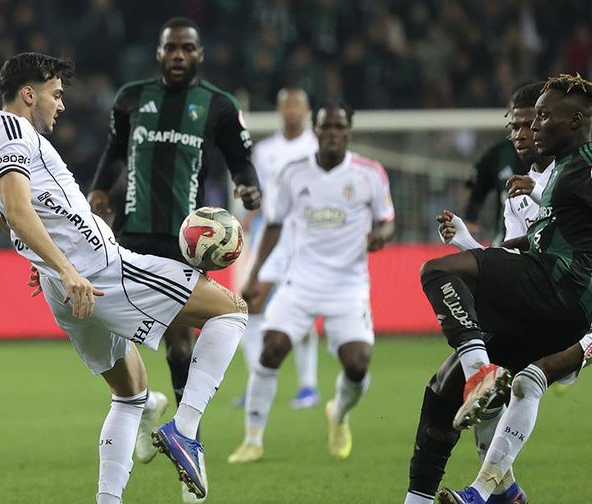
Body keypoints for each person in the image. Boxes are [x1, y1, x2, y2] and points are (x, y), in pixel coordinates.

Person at [0, 51, 249, 504]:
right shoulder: (11, 132)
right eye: (55, 94)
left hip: (67, 286)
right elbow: (18, 209)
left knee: (130, 395)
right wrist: (63, 265)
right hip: (99, 271)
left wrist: (43, 259)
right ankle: (184, 432)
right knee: (232, 311)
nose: (60, 105)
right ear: (29, 94)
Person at [87, 16, 260, 502]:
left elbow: (240, 159)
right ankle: (146, 407)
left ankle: (189, 445)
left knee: (181, 347)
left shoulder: (219, 106)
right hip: (130, 236)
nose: (179, 55)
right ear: (159, 54)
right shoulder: (130, 98)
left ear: (199, 55)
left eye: (187, 48)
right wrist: (99, 190)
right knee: (115, 344)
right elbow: (114, 151)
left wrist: (249, 185)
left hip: (185, 243)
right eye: (171, 49)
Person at [405, 74, 592, 504]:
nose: (529, 131)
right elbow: (537, 242)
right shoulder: (553, 176)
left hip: (562, 292)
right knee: (441, 392)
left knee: (436, 271)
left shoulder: (580, 167)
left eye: (541, 119)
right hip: (544, 297)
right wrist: (472, 246)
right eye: (522, 123)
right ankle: (494, 492)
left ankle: (481, 374)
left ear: (574, 121)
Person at [227, 102, 395, 464]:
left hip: (348, 285)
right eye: (326, 127)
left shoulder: (370, 173)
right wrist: (255, 274)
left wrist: (382, 235)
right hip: (299, 280)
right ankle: (252, 439)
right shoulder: (292, 173)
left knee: (357, 363)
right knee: (271, 348)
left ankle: (339, 413)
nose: (332, 133)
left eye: (339, 127)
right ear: (315, 131)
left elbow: (387, 220)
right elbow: (272, 224)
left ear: (348, 130)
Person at [239, 87, 321, 410]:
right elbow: (259, 194)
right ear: (278, 109)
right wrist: (246, 219)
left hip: (305, 237)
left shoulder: (316, 147)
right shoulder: (265, 151)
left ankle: (308, 386)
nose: (291, 111)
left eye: (297, 105)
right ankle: (256, 382)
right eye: (286, 105)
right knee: (251, 303)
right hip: (269, 235)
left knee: (302, 310)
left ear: (307, 109)